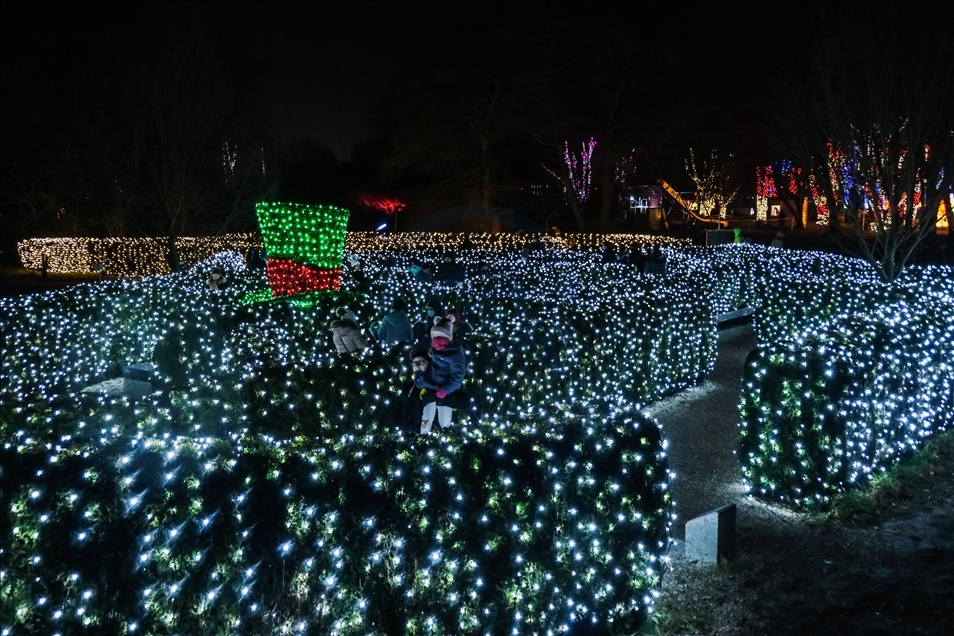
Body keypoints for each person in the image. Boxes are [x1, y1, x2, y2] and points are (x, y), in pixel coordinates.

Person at [416, 315, 466, 433]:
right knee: (427, 412)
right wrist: (423, 380)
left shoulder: (455, 354)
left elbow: (458, 376)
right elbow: (432, 370)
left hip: (446, 392)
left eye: (441, 337)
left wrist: (446, 390)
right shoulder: (435, 351)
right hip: (433, 388)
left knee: (444, 416)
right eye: (435, 337)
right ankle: (424, 435)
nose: (437, 340)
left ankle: (445, 434)